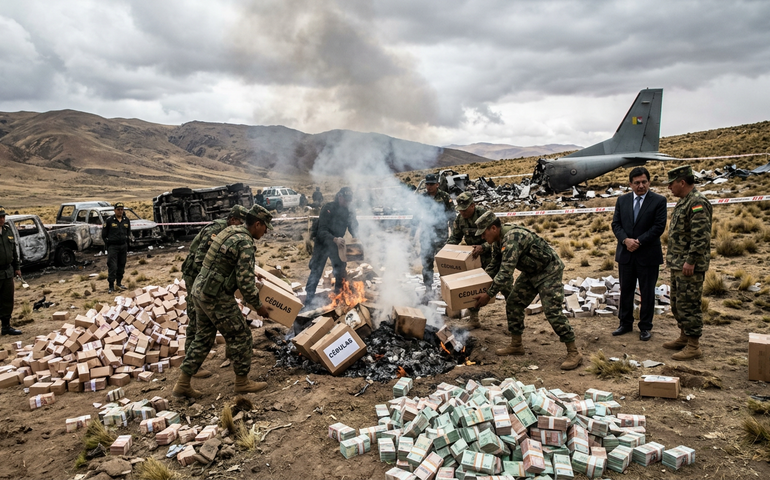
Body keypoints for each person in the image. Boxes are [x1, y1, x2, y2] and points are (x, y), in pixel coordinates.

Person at [173, 204, 274, 398]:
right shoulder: (245, 242)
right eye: (266, 227)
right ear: (258, 224)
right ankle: (242, 382)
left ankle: (182, 383)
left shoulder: (231, 231)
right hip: (215, 295)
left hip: (199, 290)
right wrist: (259, 306)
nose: (266, 231)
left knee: (203, 336)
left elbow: (225, 264)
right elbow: (245, 283)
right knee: (241, 335)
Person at [473, 211, 582, 370]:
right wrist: (476, 284)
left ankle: (574, 352)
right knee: (513, 303)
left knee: (552, 310)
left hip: (548, 270)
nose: (482, 238)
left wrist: (488, 294)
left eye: (483, 233)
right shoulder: (497, 242)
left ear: (494, 228)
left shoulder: (511, 239)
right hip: (531, 272)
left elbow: (505, 273)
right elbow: (494, 266)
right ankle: (516, 345)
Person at [180, 204, 248, 378]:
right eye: (241, 223)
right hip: (196, 275)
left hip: (209, 279)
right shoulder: (217, 230)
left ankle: (230, 355)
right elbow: (200, 259)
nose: (242, 227)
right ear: (233, 220)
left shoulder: (230, 232)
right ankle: (191, 365)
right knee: (197, 316)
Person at [610, 167, 667, 341]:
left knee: (647, 292)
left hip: (648, 255)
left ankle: (645, 327)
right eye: (637, 183)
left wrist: (639, 241)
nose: (640, 185)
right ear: (630, 184)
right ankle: (625, 324)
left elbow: (658, 227)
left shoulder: (659, 201)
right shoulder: (622, 201)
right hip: (626, 254)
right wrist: (626, 240)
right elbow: (616, 224)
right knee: (626, 290)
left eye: (644, 182)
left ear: (649, 182)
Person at [663, 165, 712, 360]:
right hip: (678, 263)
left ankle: (694, 345)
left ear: (682, 182)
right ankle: (684, 336)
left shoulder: (697, 203)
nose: (669, 188)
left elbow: (701, 237)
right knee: (677, 303)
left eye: (671, 184)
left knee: (689, 304)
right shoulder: (685, 201)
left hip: (689, 266)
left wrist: (691, 261)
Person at [304, 187, 358, 307]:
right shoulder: (328, 208)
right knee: (316, 270)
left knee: (340, 270)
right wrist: (334, 239)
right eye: (345, 200)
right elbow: (321, 230)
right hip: (323, 243)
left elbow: (354, 227)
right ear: (339, 197)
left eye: (349, 201)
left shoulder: (349, 211)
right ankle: (309, 300)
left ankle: (338, 297)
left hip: (337, 245)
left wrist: (360, 238)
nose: (347, 203)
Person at [447, 191, 492, 328]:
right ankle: (474, 319)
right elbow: (455, 237)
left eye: (465, 209)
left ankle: (513, 319)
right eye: (460, 210)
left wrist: (483, 247)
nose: (462, 213)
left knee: (502, 285)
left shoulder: (484, 215)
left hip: (492, 257)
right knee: (473, 288)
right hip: (473, 259)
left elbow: (497, 237)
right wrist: (448, 251)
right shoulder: (460, 219)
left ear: (473, 205)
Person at [419, 173, 454, 301]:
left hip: (441, 235)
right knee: (427, 263)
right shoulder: (422, 198)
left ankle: (446, 290)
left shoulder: (444, 196)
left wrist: (453, 232)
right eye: (427, 184)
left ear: (437, 184)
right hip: (426, 235)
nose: (429, 186)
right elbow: (417, 215)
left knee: (444, 264)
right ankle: (428, 290)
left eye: (431, 184)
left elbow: (452, 214)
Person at [0, 207, 22, 336]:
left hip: (7, 272)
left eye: (3, 217)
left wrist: (17, 267)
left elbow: (14, 251)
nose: (2, 219)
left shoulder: (8, 231)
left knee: (8, 300)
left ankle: (6, 326)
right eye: (0, 217)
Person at [102, 202, 131, 293]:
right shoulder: (110, 220)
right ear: (114, 210)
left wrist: (127, 242)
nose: (120, 211)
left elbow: (128, 232)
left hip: (123, 246)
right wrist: (109, 243)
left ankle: (119, 283)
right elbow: (104, 234)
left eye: (122, 209)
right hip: (113, 247)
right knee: (113, 266)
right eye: (118, 209)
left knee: (121, 265)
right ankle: (111, 285)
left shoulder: (126, 220)